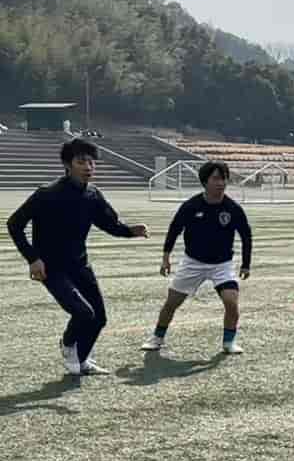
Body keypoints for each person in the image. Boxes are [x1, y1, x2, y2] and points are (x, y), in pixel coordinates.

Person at [6, 139, 149, 375]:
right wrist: (33, 258)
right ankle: (67, 343)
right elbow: (14, 224)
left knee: (99, 318)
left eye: (92, 162)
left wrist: (131, 231)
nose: (88, 167)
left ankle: (82, 361)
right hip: (51, 268)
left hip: (80, 265)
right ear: (67, 164)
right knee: (83, 313)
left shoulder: (93, 194)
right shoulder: (46, 194)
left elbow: (110, 224)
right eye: (81, 162)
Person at [141, 161, 252, 355]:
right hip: (193, 263)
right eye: (216, 178)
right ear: (205, 181)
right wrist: (165, 258)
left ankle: (229, 342)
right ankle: (157, 338)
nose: (221, 183)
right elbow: (174, 230)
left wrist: (246, 264)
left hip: (222, 264)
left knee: (231, 302)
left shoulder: (233, 208)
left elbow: (246, 236)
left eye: (224, 179)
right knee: (172, 303)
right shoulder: (191, 206)